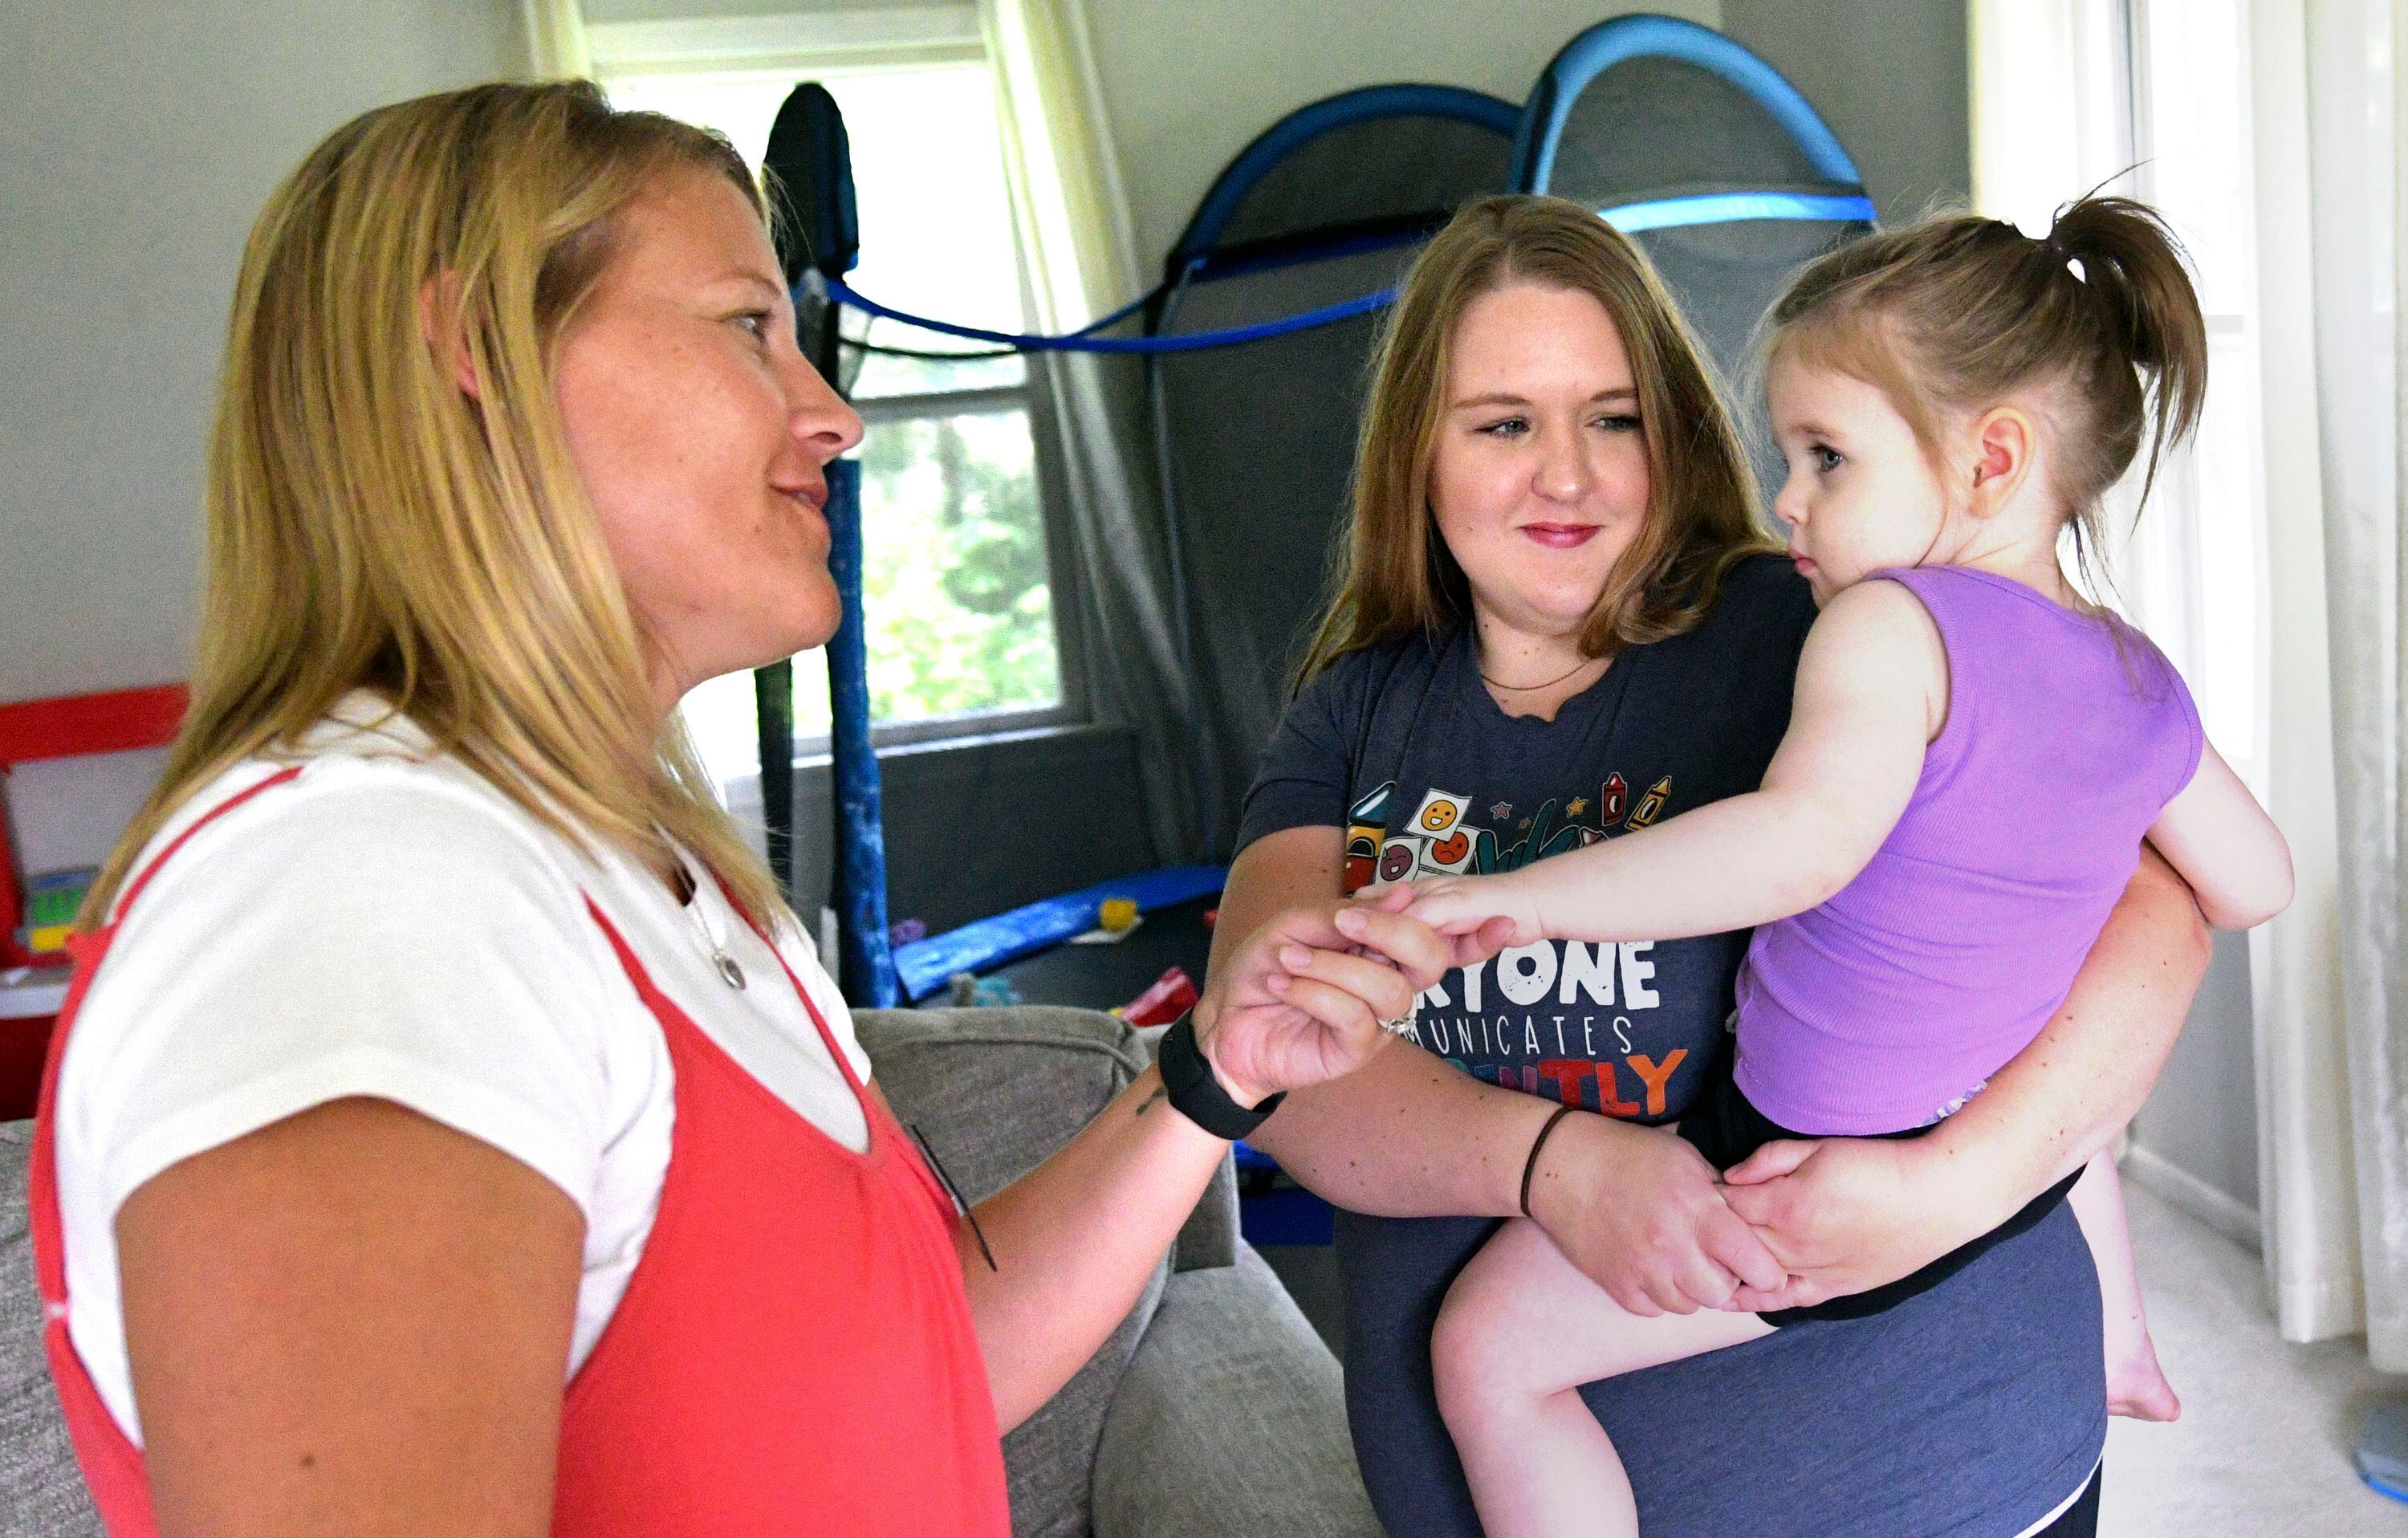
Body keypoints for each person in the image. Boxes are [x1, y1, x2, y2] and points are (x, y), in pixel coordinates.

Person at [26, 81, 1442, 1536]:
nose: (837, 419)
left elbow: (910, 1364)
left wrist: (1213, 1072)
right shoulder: (358, 893)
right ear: (477, 348)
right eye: (746, 327)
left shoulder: (648, 880)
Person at [1216, 194, 2215, 1538]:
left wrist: (1955, 1188)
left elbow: (2155, 907)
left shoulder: (1832, 626)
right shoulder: (1353, 715)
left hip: (1945, 1464)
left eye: (1613, 419)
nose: (1563, 476)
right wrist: (1556, 1169)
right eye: (1504, 423)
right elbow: (1274, 1069)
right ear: (1419, 455)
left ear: (1674, 433)